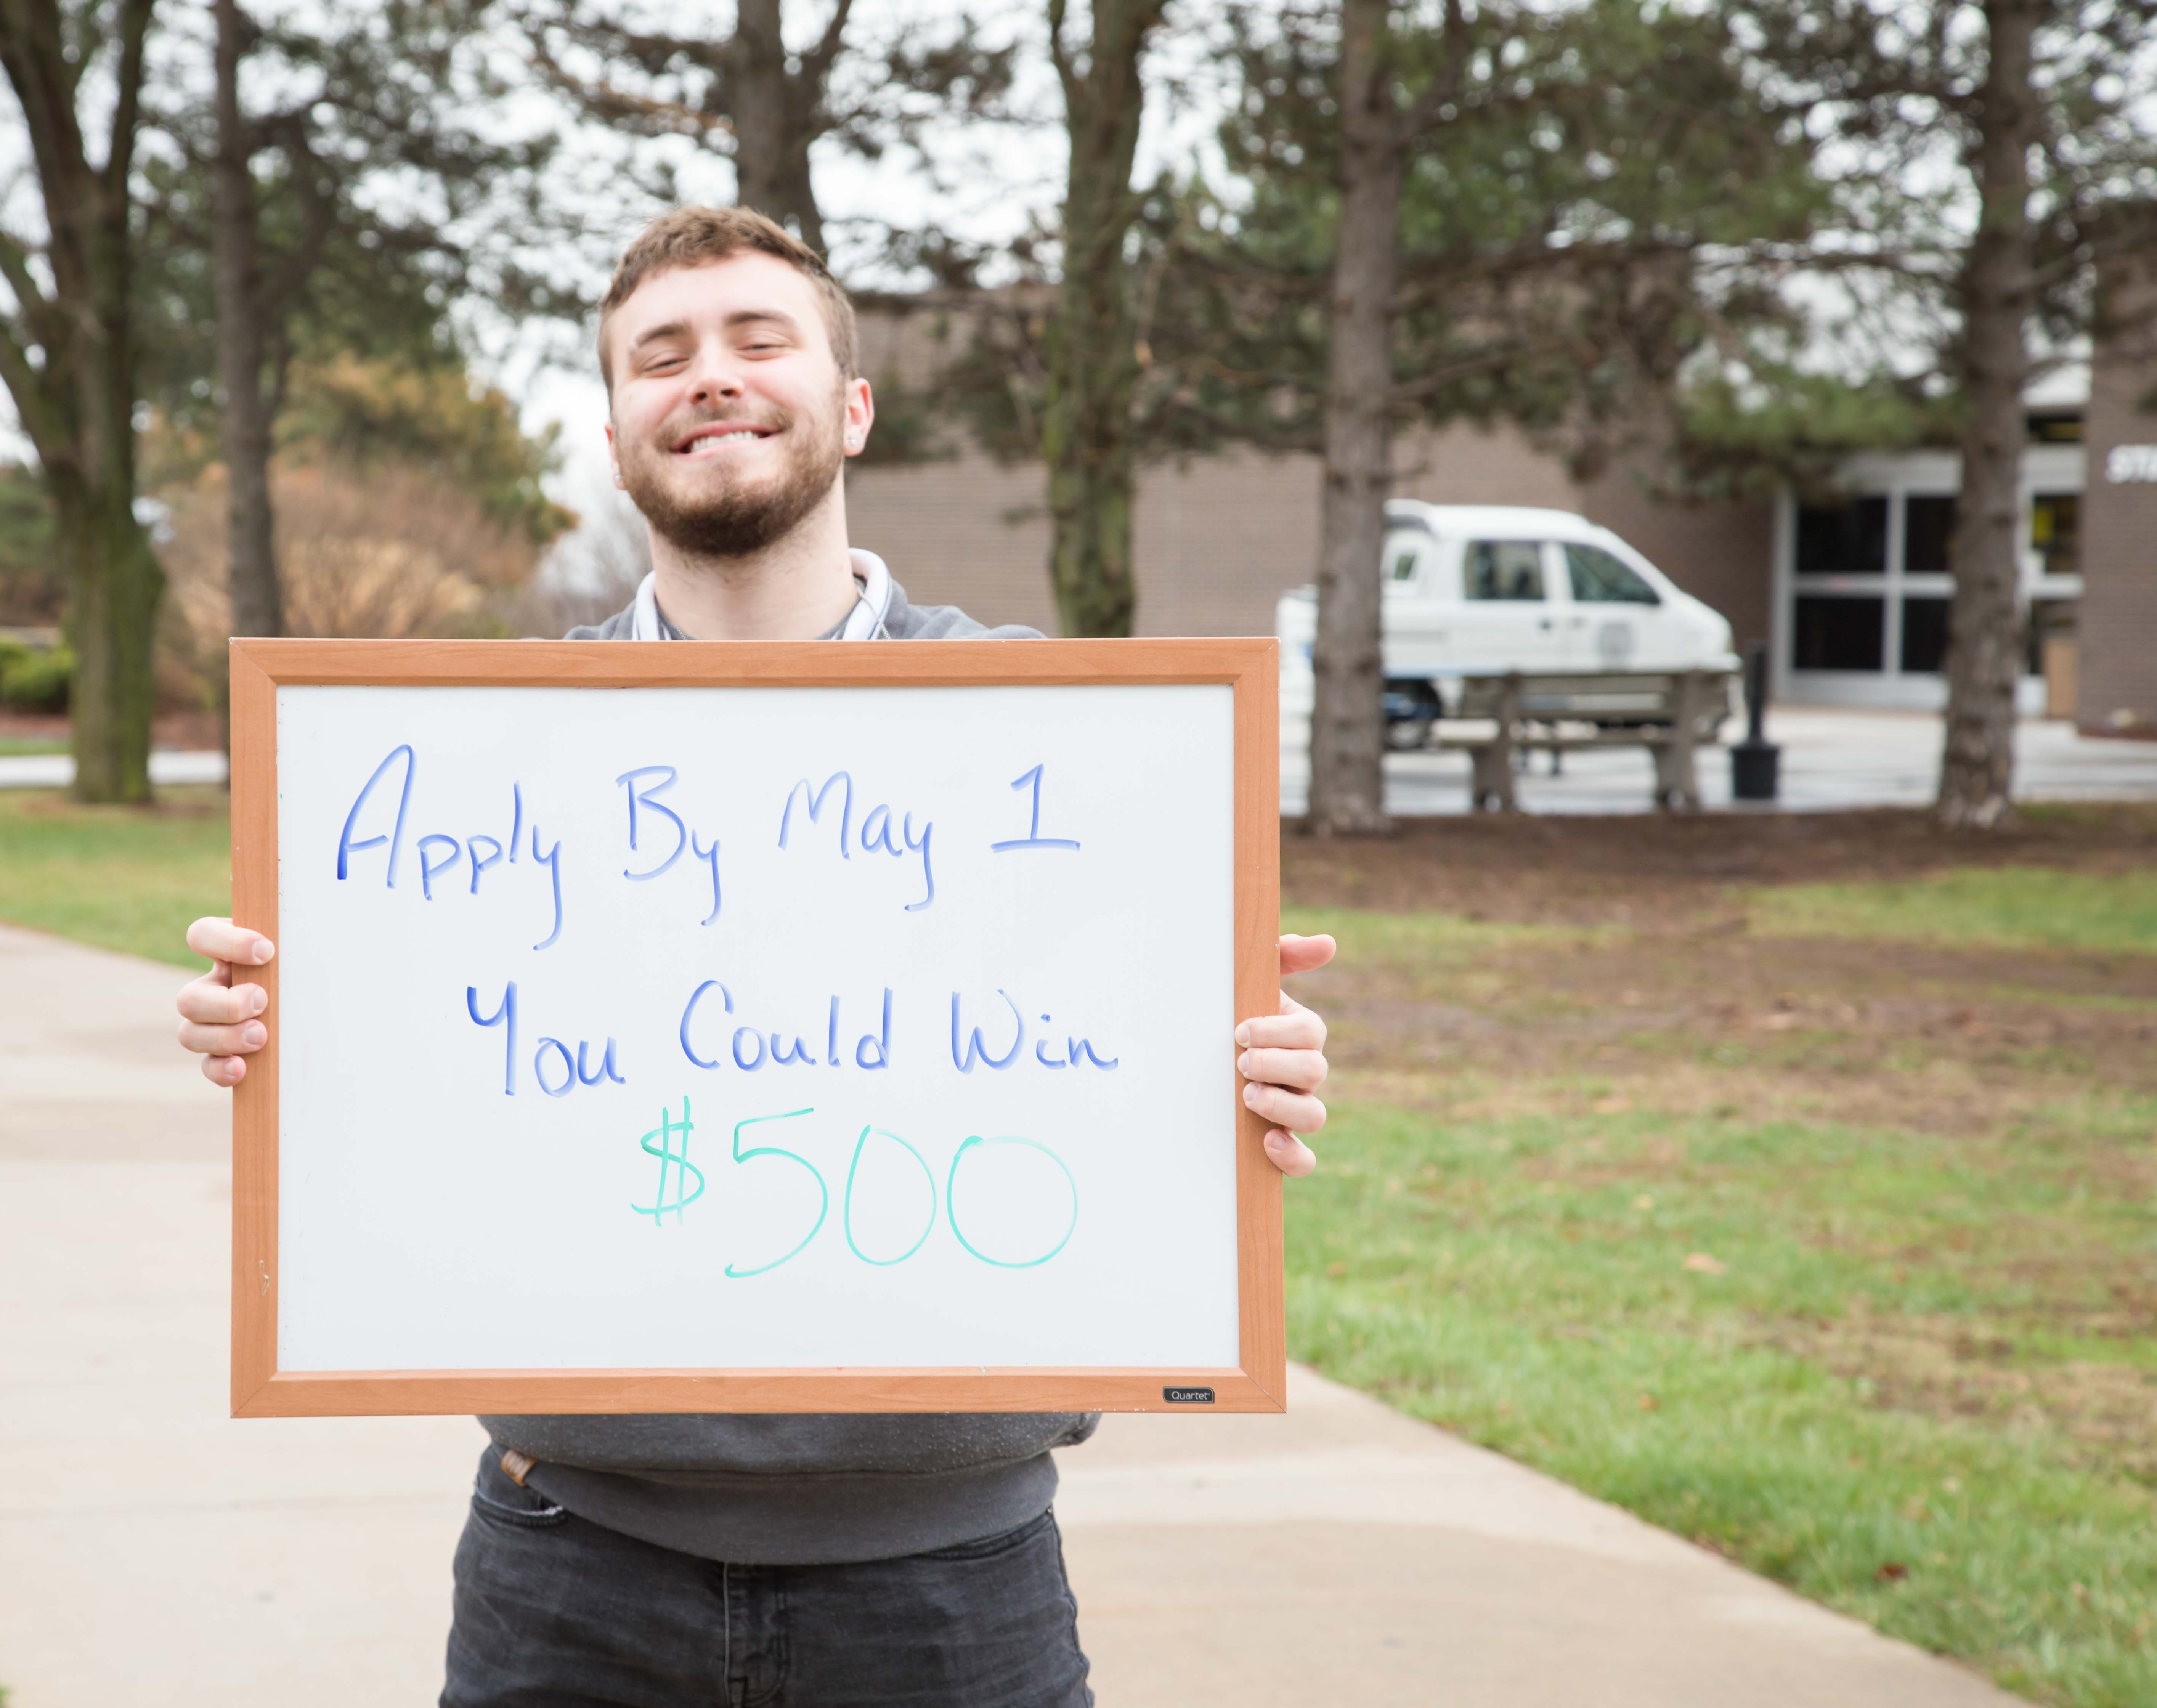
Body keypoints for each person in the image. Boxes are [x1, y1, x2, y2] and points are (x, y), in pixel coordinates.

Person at [176, 206, 1336, 1707]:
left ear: (852, 408)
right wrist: (279, 1025)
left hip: (950, 1588)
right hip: (570, 1568)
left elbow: (1120, 1066)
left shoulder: (1060, 739)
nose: (708, 376)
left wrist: (1243, 1075)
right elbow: (413, 1076)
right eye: (661, 357)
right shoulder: (472, 758)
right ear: (615, 437)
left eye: (757, 340)